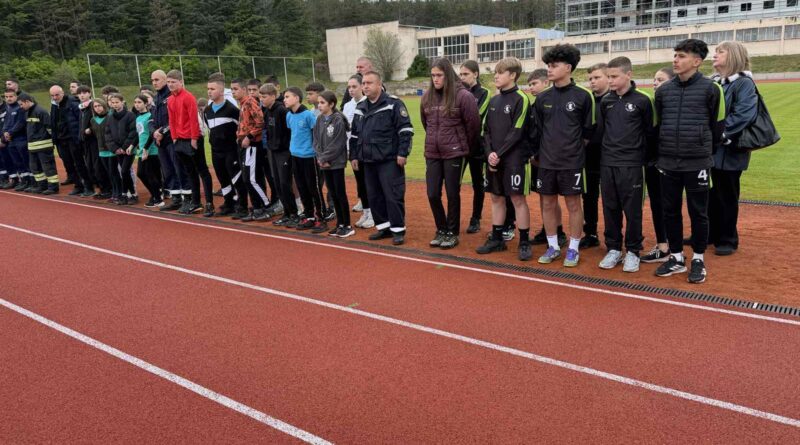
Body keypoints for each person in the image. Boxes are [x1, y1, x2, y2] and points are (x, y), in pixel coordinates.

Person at [654, 39, 725, 284]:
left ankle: (698, 259)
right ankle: (676, 257)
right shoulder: (663, 91)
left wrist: (701, 150)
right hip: (668, 162)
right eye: (675, 55)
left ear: (697, 61)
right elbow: (658, 124)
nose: (676, 60)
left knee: (698, 212)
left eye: (682, 56)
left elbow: (717, 126)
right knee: (670, 211)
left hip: (697, 162)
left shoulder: (712, 89)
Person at [533, 44, 596, 267]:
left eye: (554, 65)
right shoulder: (542, 98)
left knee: (573, 204)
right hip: (547, 162)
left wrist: (572, 150)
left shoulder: (584, 96)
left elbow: (588, 131)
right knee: (548, 203)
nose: (549, 69)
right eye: (548, 65)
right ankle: (553, 246)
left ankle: (573, 248)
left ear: (568, 68)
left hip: (572, 162)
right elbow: (538, 130)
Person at [596, 56, 657, 273]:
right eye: (609, 76)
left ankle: (633, 250)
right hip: (608, 163)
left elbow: (651, 132)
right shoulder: (606, 101)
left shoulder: (644, 100)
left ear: (628, 75)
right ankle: (613, 248)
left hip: (632, 164)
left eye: (614, 76)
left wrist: (644, 159)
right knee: (610, 207)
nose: (610, 81)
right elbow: (602, 131)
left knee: (632, 210)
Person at [475, 57, 533, 261]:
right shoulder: (494, 100)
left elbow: (517, 132)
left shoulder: (521, 99)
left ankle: (524, 241)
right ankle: (497, 238)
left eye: (500, 73)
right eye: (495, 73)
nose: (496, 76)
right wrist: (490, 153)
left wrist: (498, 154)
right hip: (494, 159)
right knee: (496, 197)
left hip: (514, 160)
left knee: (517, 199)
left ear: (513, 75)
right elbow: (486, 131)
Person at [349, 71, 414, 245]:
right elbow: (354, 135)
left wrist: (403, 153)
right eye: (363, 83)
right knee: (374, 196)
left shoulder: (393, 104)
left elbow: (405, 130)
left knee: (392, 195)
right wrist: (354, 155)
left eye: (369, 83)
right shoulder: (360, 107)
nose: (365, 86)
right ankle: (383, 227)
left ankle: (398, 229)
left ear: (379, 84)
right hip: (367, 160)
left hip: (389, 159)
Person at [422, 58, 480, 249]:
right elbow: (426, 123)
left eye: (439, 75)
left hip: (455, 152)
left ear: (448, 74)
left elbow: (473, 126)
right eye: (433, 75)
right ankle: (441, 229)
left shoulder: (463, 96)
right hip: (433, 152)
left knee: (452, 193)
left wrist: (462, 146)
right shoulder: (427, 97)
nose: (435, 79)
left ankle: (452, 232)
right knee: (432, 193)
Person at [709, 41, 758, 257]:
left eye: (720, 52)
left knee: (727, 194)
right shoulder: (715, 82)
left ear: (734, 56)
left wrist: (720, 134)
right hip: (712, 149)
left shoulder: (744, 83)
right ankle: (711, 233)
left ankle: (728, 238)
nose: (715, 55)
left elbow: (744, 113)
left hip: (730, 149)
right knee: (710, 193)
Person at [526, 68, 567, 247]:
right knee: (543, 196)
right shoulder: (535, 105)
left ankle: (559, 231)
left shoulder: (553, 103)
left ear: (546, 82)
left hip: (550, 158)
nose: (531, 88)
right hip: (537, 158)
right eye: (529, 85)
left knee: (551, 197)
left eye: (534, 84)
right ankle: (548, 229)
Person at [640, 67, 675, 264]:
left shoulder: (670, 105)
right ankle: (664, 245)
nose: (655, 83)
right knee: (657, 203)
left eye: (660, 79)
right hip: (653, 161)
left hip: (667, 161)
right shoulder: (652, 103)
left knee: (666, 204)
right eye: (654, 79)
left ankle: (668, 248)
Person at [285, 86, 327, 233]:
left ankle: (321, 218)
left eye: (287, 97)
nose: (285, 100)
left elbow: (317, 134)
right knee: (302, 187)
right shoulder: (289, 115)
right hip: (295, 156)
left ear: (297, 98)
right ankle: (309, 216)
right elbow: (293, 133)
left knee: (313, 188)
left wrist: (318, 153)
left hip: (309, 157)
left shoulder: (308, 115)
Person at [313, 91, 355, 237]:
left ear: (331, 104)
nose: (319, 105)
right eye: (318, 102)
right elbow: (316, 140)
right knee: (332, 193)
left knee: (340, 193)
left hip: (335, 162)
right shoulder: (319, 119)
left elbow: (338, 143)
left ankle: (347, 225)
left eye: (322, 103)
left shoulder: (338, 120)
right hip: (324, 162)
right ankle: (340, 224)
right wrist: (320, 157)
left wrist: (325, 158)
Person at [165, 70, 206, 215]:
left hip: (191, 139)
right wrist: (174, 137)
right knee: (189, 172)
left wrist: (194, 139)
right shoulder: (170, 100)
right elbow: (171, 120)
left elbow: (193, 119)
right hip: (179, 140)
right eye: (168, 82)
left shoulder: (188, 97)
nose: (170, 85)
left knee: (199, 170)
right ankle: (195, 202)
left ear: (181, 82)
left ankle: (202, 202)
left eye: (173, 82)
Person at [458, 60, 490, 235]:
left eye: (466, 74)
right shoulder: (458, 93)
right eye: (461, 74)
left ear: (475, 74)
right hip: (460, 147)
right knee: (454, 184)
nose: (462, 77)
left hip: (477, 147)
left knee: (478, 184)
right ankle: (453, 219)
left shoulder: (485, 93)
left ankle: (476, 218)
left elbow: (476, 116)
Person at [206, 73, 245, 216]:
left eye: (213, 89)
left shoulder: (232, 110)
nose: (209, 91)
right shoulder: (207, 111)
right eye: (208, 89)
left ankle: (242, 205)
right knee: (222, 178)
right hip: (216, 151)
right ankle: (229, 202)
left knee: (236, 177)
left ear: (222, 91)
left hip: (231, 151)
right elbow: (209, 128)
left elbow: (241, 127)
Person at [231, 78, 269, 221]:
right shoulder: (242, 104)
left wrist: (249, 137)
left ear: (244, 89)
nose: (233, 92)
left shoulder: (250, 102)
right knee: (249, 178)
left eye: (236, 89)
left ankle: (264, 207)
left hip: (251, 146)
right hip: (244, 145)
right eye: (232, 89)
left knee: (251, 179)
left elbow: (260, 122)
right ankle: (256, 207)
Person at [582, 63, 610, 249]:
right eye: (590, 78)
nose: (592, 81)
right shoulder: (587, 100)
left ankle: (612, 237)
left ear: (608, 77)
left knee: (610, 198)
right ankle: (590, 233)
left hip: (609, 156)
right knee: (589, 197)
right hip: (589, 155)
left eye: (597, 77)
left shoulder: (615, 100)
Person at [260, 83, 297, 226]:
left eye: (264, 96)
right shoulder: (267, 111)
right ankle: (286, 213)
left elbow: (290, 131)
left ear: (273, 96)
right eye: (261, 97)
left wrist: (286, 148)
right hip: (272, 151)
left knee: (285, 183)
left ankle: (293, 213)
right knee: (277, 183)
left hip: (284, 152)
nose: (262, 99)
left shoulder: (282, 110)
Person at [342, 74, 374, 228]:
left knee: (370, 183)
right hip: (353, 150)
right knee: (361, 183)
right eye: (349, 87)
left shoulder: (368, 103)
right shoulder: (347, 106)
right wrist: (348, 149)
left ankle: (374, 214)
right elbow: (347, 130)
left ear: (362, 86)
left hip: (366, 150)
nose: (351, 90)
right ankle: (366, 212)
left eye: (354, 86)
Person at [50, 85, 92, 195]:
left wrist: (79, 137)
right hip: (60, 140)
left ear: (62, 93)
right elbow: (53, 122)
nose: (55, 97)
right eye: (52, 95)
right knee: (68, 164)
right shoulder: (54, 105)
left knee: (79, 164)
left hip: (73, 139)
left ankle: (88, 186)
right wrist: (55, 139)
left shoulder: (73, 103)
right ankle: (78, 186)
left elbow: (80, 120)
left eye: (57, 95)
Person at [150, 70, 183, 210]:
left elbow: (174, 120)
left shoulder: (171, 96)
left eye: (157, 79)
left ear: (165, 80)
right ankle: (175, 198)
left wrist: (162, 131)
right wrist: (154, 132)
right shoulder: (155, 98)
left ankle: (186, 197)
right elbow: (151, 119)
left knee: (178, 168)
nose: (154, 82)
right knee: (167, 171)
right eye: (152, 80)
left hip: (172, 139)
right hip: (160, 141)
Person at [19, 93, 59, 194]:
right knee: (35, 167)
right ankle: (42, 185)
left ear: (27, 101)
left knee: (48, 167)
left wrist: (51, 141)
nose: (21, 107)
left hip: (44, 145)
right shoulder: (27, 112)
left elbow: (50, 128)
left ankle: (53, 187)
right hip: (32, 146)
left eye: (21, 104)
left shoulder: (41, 111)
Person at [76, 85, 109, 199]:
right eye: (79, 93)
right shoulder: (81, 108)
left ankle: (106, 189)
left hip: (95, 142)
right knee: (90, 167)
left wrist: (90, 129)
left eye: (84, 93)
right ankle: (100, 188)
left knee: (98, 166)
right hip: (85, 142)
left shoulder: (92, 106)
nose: (82, 95)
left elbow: (97, 121)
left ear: (89, 93)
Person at [104, 93, 137, 205]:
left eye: (117, 102)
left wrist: (124, 147)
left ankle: (132, 194)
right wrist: (115, 148)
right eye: (113, 103)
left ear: (122, 102)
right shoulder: (110, 117)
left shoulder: (130, 115)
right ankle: (126, 194)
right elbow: (107, 134)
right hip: (117, 150)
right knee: (123, 172)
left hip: (128, 150)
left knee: (124, 171)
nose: (115, 105)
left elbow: (133, 132)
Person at [132, 94, 164, 208]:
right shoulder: (138, 117)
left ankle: (158, 198)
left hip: (151, 150)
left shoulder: (150, 116)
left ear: (146, 104)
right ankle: (155, 194)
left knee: (150, 175)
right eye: (135, 102)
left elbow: (152, 134)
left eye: (139, 102)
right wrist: (132, 145)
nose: (136, 105)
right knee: (141, 174)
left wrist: (146, 148)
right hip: (142, 150)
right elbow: (139, 134)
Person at [1, 89, 33, 191]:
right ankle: (23, 180)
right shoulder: (8, 108)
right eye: (6, 97)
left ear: (16, 97)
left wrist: (10, 133)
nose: (8, 99)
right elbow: (6, 124)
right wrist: (5, 133)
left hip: (21, 139)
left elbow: (21, 123)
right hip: (11, 141)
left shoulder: (20, 108)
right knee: (17, 162)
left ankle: (30, 181)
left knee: (25, 161)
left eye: (11, 96)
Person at [89, 99, 119, 202]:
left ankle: (118, 192)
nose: (97, 108)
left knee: (114, 172)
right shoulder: (93, 120)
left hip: (112, 149)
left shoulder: (110, 117)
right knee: (107, 172)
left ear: (104, 106)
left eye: (99, 105)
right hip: (101, 150)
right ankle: (112, 192)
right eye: (95, 106)